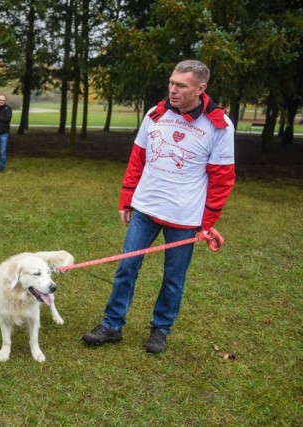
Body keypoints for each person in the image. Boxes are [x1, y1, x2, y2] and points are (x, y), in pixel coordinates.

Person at [82, 59, 235, 353]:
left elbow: (222, 178)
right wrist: (127, 199)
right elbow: (137, 157)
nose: (172, 90)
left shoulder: (220, 126)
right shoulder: (156, 114)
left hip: (185, 217)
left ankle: (160, 329)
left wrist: (207, 223)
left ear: (201, 88)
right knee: (126, 267)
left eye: (181, 85)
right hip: (145, 209)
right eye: (171, 83)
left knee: (173, 278)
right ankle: (112, 325)